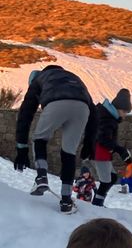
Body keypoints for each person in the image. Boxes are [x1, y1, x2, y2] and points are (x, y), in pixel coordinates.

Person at [13, 65, 97, 214]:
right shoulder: (74, 77)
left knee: (40, 138)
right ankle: (66, 201)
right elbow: (94, 112)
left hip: (56, 104)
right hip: (82, 108)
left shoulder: (38, 79)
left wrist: (21, 147)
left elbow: (25, 114)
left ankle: (41, 177)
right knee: (69, 152)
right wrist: (90, 142)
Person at [87, 89, 132, 207]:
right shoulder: (107, 119)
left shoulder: (107, 116)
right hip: (99, 153)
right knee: (106, 182)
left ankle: (98, 203)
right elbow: (103, 139)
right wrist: (121, 150)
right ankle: (97, 205)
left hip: (102, 153)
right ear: (118, 109)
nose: (125, 115)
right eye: (124, 112)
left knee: (112, 177)